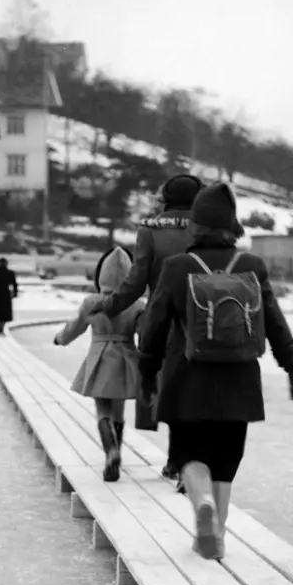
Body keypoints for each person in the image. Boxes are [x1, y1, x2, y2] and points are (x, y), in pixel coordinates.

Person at [138, 182, 293, 560]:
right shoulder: (251, 266)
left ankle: (202, 506)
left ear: (195, 226)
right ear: (232, 225)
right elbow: (275, 324)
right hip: (240, 382)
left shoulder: (178, 267)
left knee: (190, 455)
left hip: (188, 379)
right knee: (226, 461)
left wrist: (148, 373)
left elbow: (153, 328)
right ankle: (217, 531)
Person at [89, 173, 205, 486]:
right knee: (196, 392)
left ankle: (175, 460)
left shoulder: (151, 231)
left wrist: (110, 305)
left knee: (168, 389)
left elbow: (136, 280)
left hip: (163, 321)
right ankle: (183, 463)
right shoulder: (209, 227)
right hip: (205, 320)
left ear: (165, 197)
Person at [52, 246, 143, 482]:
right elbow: (145, 332)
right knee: (119, 413)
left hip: (99, 356)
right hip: (125, 356)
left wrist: (60, 339)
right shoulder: (137, 305)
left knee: (102, 411)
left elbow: (76, 327)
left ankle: (110, 452)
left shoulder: (91, 302)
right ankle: (118, 452)